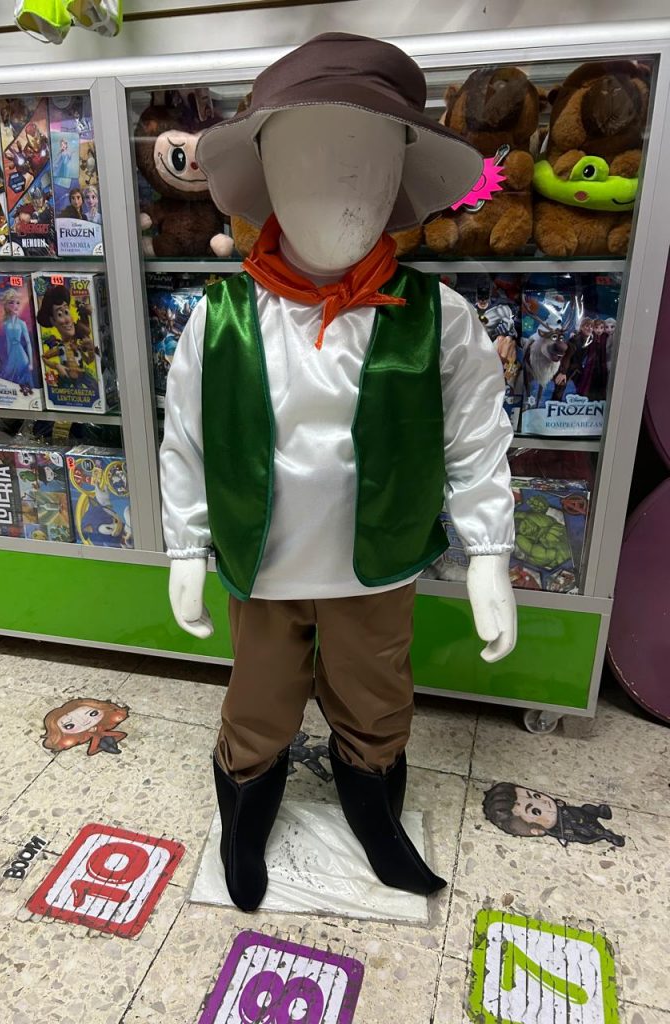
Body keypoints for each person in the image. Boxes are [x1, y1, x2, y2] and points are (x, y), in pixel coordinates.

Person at [161, 33, 516, 912]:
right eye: (310, 164)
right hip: (264, 560)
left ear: (398, 180)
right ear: (268, 176)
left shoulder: (442, 317)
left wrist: (489, 553)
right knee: (259, 699)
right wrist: (185, 549)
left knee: (376, 695)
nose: (341, 189)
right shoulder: (220, 318)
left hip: (379, 560)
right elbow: (188, 441)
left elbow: (476, 438)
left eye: (363, 166)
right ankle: (245, 817)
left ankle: (374, 811)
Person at [483, 782, 625, 847]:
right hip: (581, 829)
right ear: (537, 830)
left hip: (581, 814)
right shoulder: (562, 831)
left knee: (587, 810)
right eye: (536, 811)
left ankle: (599, 813)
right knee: (590, 835)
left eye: (537, 796)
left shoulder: (560, 808)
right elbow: (580, 838)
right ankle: (605, 835)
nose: (545, 803)